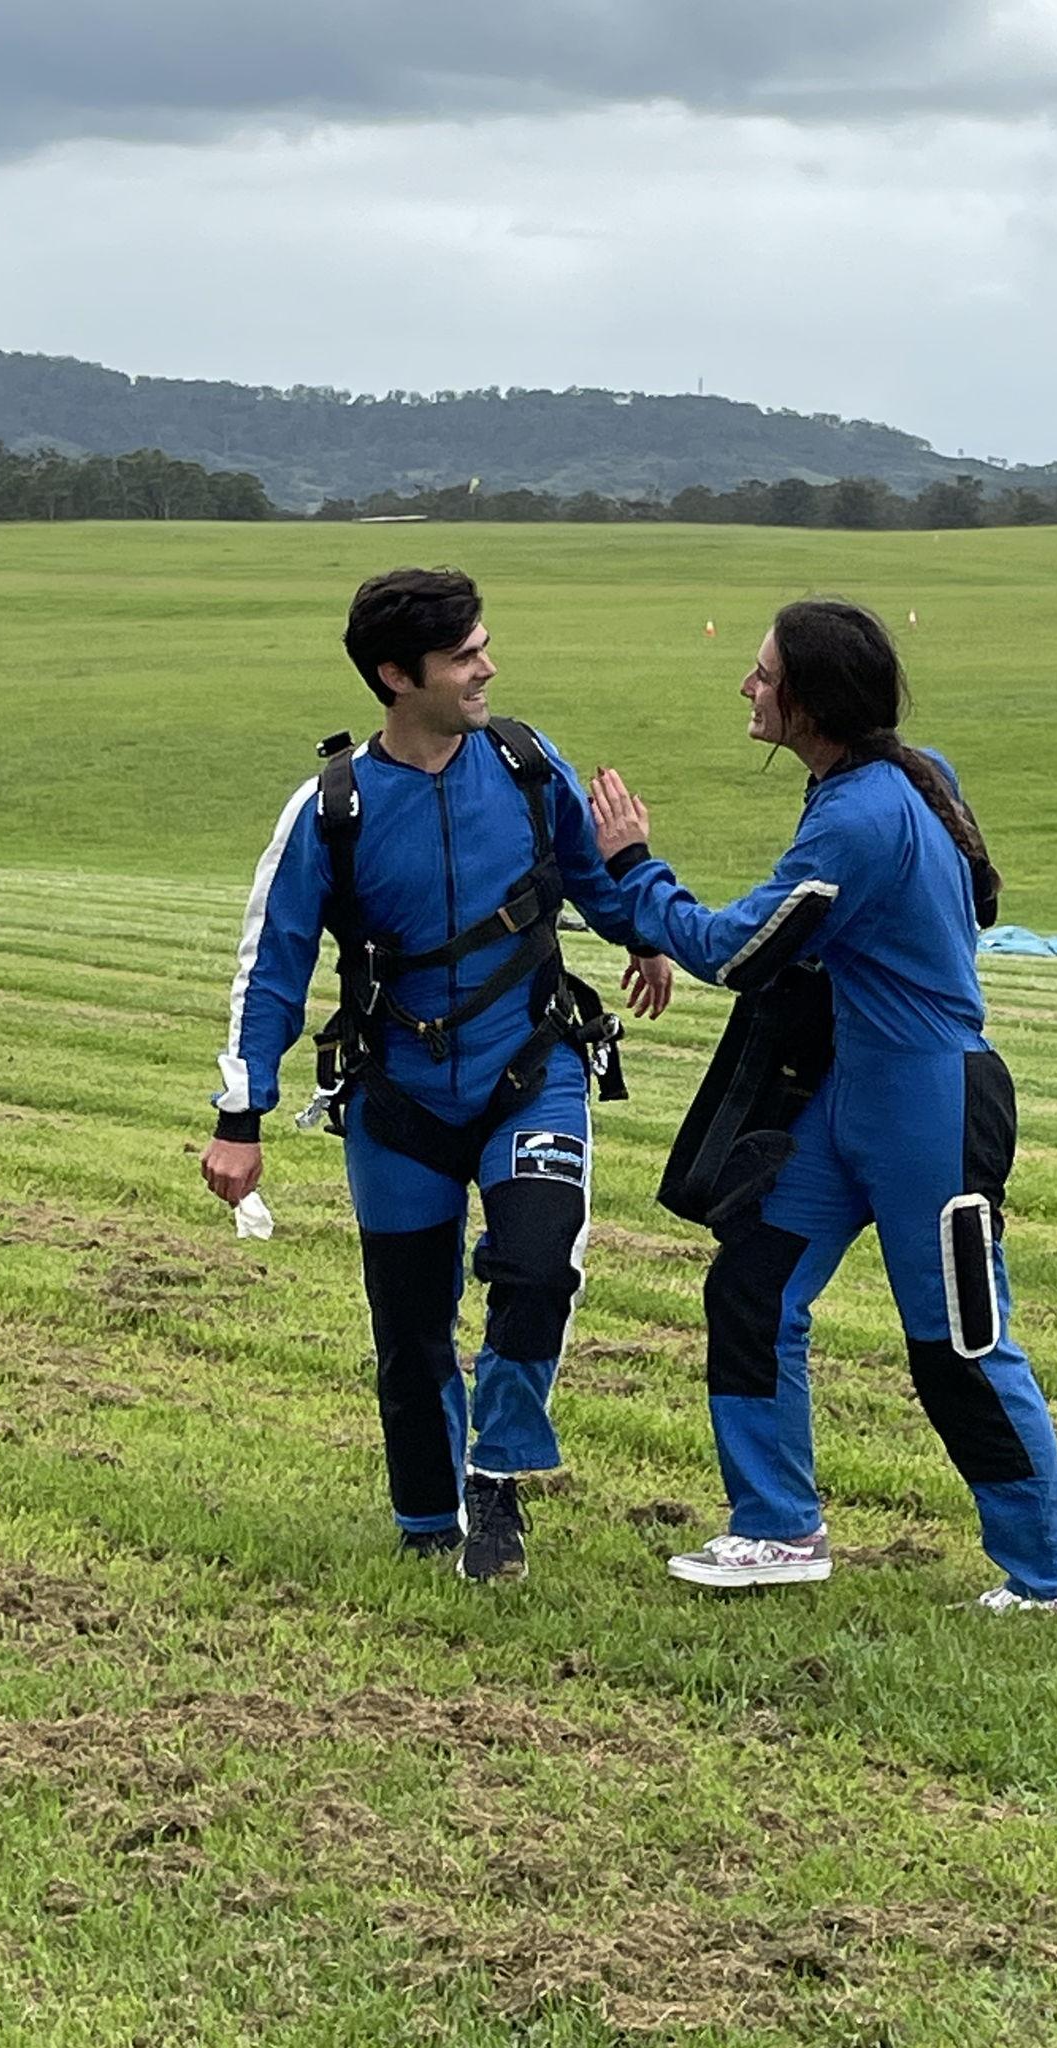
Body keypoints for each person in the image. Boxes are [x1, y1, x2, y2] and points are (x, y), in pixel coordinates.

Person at [588, 599, 1057, 1613]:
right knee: (752, 1288)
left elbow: (741, 947)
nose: (746, 685)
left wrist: (635, 871)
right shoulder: (902, 773)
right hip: (848, 1091)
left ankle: (1051, 1575)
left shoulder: (864, 811)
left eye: (763, 673)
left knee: (958, 1340)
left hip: (929, 1106)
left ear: (812, 701)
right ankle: (776, 1527)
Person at [201, 567, 673, 1581]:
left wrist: (643, 929)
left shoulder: (522, 760)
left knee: (538, 1264)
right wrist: (240, 1115)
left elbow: (586, 880)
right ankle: (428, 1524)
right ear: (392, 674)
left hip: (529, 1069)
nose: (486, 667)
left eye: (483, 645)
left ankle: (496, 1474)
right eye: (463, 656)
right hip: (398, 1098)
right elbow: (268, 965)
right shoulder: (329, 809)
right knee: (411, 1337)